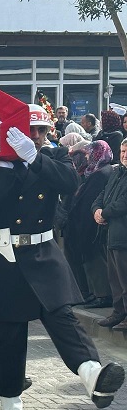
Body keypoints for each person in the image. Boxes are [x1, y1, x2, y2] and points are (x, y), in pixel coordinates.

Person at [0, 104, 124, 410]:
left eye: (41, 131)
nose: (36, 136)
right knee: (10, 335)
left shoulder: (55, 158)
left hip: (41, 252)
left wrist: (32, 158)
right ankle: (12, 409)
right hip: (4, 255)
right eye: (30, 131)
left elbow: (70, 182)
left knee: (62, 316)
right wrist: (4, 167)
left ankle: (93, 375)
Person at [58, 141, 113, 309]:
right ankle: (95, 294)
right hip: (86, 223)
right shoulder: (97, 172)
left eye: (91, 153)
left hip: (91, 225)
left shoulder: (101, 174)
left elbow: (89, 201)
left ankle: (103, 295)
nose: (87, 156)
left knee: (95, 261)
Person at [94, 139, 127, 330]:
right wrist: (97, 209)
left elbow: (123, 203)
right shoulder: (117, 172)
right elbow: (102, 195)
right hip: (112, 234)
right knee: (115, 279)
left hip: (123, 235)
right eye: (122, 151)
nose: (124, 155)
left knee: (125, 279)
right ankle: (119, 313)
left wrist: (104, 213)